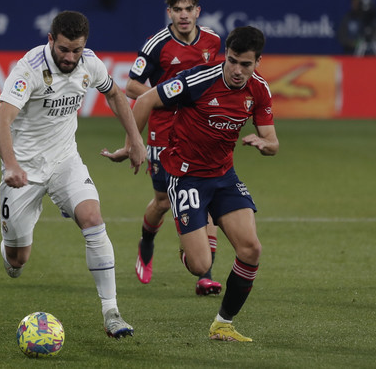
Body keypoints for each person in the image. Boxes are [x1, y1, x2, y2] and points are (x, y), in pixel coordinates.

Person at [111, 26, 278, 342]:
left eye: (246, 64)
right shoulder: (197, 80)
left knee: (251, 249)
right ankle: (190, 234)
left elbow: (273, 141)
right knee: (200, 264)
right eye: (232, 61)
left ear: (258, 61)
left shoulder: (259, 90)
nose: (238, 70)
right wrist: (134, 145)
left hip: (224, 176)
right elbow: (145, 100)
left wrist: (264, 144)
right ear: (225, 55)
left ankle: (223, 324)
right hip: (185, 176)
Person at [0, 10, 146, 338]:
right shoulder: (28, 70)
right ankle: (9, 249)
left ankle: (111, 312)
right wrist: (12, 166)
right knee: (18, 261)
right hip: (24, 171)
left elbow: (116, 95)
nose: (71, 57)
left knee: (92, 217)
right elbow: (1, 122)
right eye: (64, 49)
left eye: (77, 50)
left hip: (65, 162)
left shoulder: (90, 63)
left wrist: (135, 140)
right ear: (51, 40)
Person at [101, 0, 222, 295]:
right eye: (177, 10)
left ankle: (204, 273)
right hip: (163, 132)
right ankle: (147, 241)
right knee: (163, 201)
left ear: (198, 11)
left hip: (199, 132)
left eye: (188, 9)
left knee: (203, 194)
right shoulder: (157, 44)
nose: (183, 15)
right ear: (169, 12)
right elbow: (131, 87)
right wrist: (172, 96)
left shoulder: (212, 40)